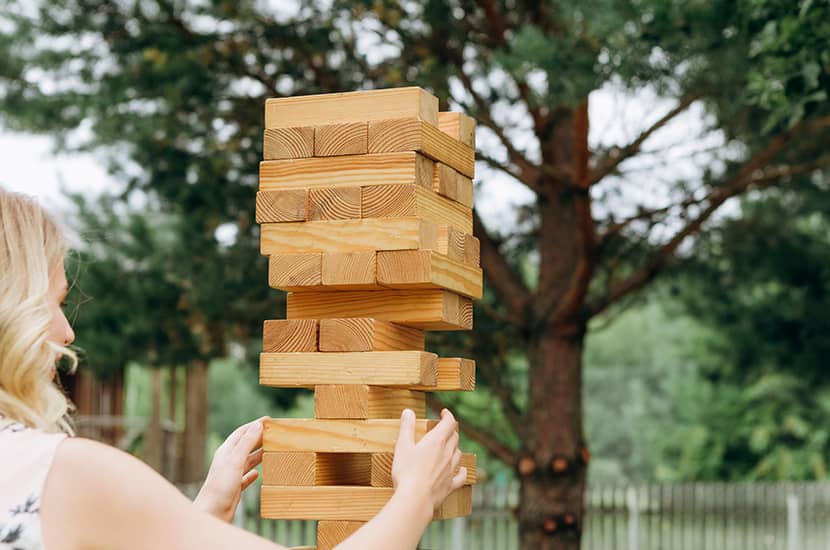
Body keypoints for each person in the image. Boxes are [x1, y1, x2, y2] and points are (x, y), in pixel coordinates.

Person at [0, 186, 467, 550]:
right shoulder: (66, 473)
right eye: (54, 303)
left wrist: (204, 512)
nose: (66, 332)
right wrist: (416, 496)